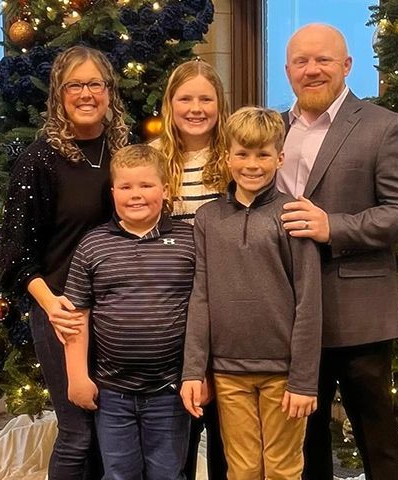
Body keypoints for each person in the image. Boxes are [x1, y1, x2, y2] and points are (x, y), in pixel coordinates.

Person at [277, 24, 398, 480]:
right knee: (305, 440)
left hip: (358, 312)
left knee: (376, 438)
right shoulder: (272, 128)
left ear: (346, 65)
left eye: (323, 60)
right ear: (288, 71)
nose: (312, 70)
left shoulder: (385, 127)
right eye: (301, 61)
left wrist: (333, 226)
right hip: (289, 311)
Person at [0, 45, 128, 480]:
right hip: (63, 314)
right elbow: (15, 256)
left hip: (119, 313)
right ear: (59, 94)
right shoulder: (39, 160)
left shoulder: (126, 153)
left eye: (95, 83)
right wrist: (52, 305)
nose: (86, 93)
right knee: (78, 433)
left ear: (110, 91)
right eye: (75, 84)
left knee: (114, 430)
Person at [181, 106, 323, 480]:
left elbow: (309, 301)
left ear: (280, 157)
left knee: (282, 469)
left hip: (283, 373)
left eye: (262, 154)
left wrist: (304, 379)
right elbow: (201, 296)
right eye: (242, 154)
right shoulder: (208, 218)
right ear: (227, 156)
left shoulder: (293, 215)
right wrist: (194, 370)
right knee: (241, 469)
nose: (252, 164)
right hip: (228, 371)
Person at [63, 144, 194, 480]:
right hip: (112, 393)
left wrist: (198, 374)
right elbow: (76, 315)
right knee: (120, 473)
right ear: (113, 193)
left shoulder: (189, 241)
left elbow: (204, 313)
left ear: (165, 190)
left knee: (168, 473)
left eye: (146, 185)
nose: (136, 195)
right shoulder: (93, 245)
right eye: (126, 187)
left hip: (170, 391)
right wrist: (78, 377)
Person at [151, 58, 229, 479]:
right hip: (172, 310)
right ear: (170, 103)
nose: (195, 107)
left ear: (220, 104)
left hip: (225, 308)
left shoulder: (233, 161)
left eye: (206, 98)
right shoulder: (155, 161)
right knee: (178, 429)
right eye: (186, 98)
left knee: (224, 430)